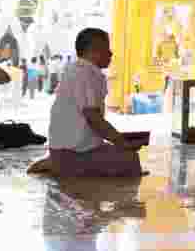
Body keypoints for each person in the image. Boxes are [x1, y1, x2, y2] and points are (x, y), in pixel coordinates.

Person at [28, 28, 147, 177]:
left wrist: (120, 140)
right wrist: (121, 142)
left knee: (125, 154)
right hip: (73, 151)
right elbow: (93, 117)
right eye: (107, 49)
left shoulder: (83, 71)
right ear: (94, 51)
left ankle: (58, 161)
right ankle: (58, 164)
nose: (111, 54)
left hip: (76, 147)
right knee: (130, 160)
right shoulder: (84, 74)